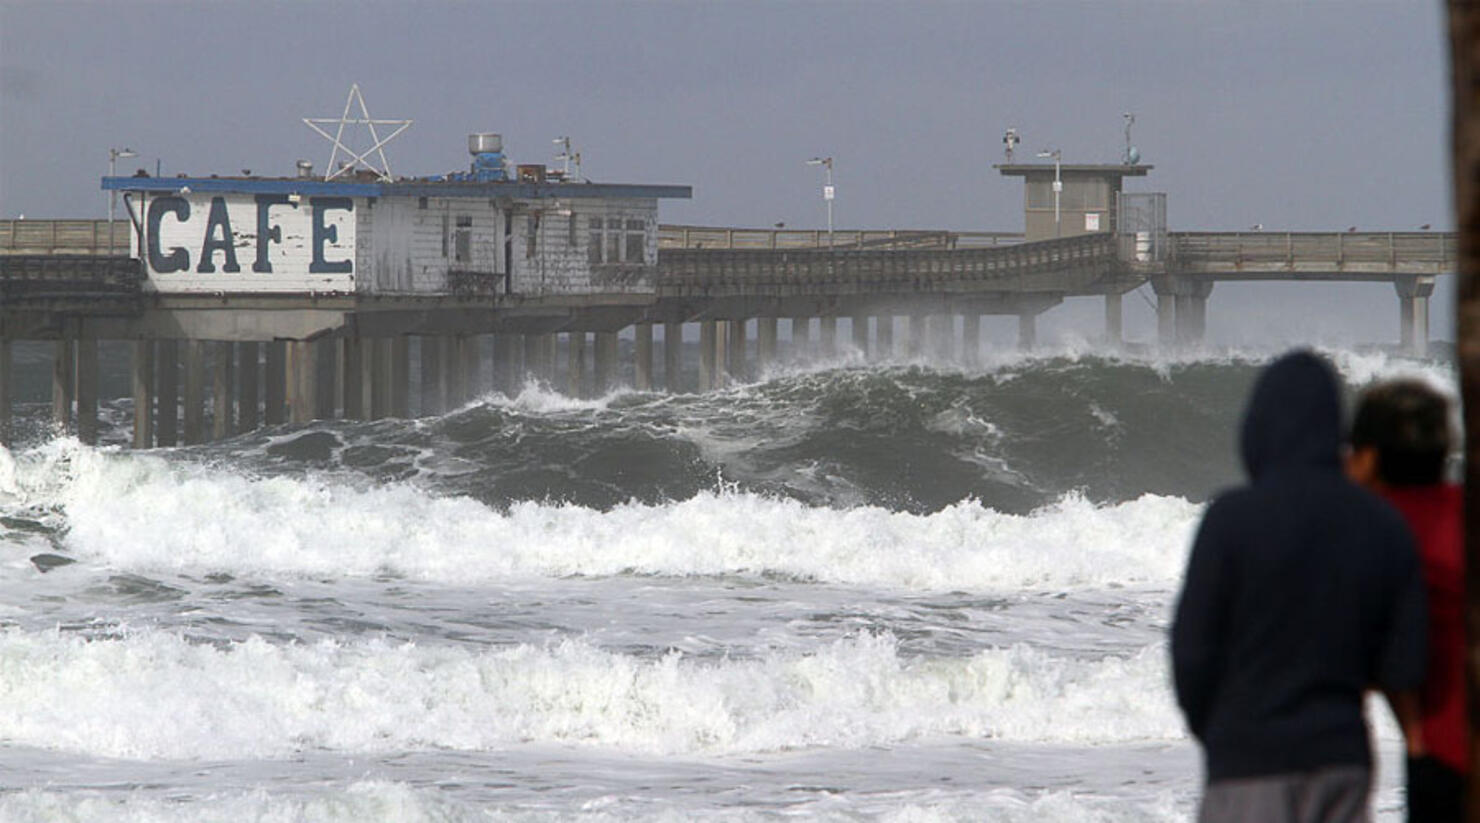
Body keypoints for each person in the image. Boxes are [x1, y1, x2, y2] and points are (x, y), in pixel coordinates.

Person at [1171, 351, 1428, 823]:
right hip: (1341, 762)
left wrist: (1221, 733)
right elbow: (1405, 664)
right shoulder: (1382, 523)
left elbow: (1191, 654)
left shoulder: (1231, 520)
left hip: (1248, 762)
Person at [1347, 379, 1467, 823]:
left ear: (1369, 457)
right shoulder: (1463, 509)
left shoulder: (1377, 530)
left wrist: (1414, 732)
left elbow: (1382, 657)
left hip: (1448, 756)